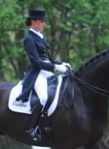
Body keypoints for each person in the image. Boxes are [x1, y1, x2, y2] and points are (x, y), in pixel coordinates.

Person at [16, 9, 71, 141]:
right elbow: (36, 62)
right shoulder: (29, 38)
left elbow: (49, 59)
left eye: (44, 22)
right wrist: (56, 67)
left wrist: (61, 63)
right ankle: (31, 129)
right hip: (37, 73)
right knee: (43, 98)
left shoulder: (41, 37)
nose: (43, 24)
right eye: (41, 21)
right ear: (33, 21)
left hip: (47, 71)